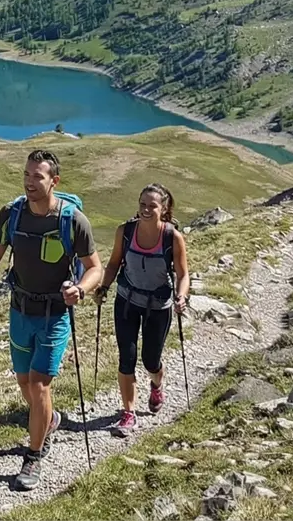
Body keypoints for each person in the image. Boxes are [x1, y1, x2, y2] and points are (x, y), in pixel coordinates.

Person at [0, 149, 102, 491]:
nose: (29, 182)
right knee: (25, 383)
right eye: (26, 175)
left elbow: (96, 268)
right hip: (20, 311)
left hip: (55, 315)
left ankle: (34, 455)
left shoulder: (72, 220)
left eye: (37, 177)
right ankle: (49, 419)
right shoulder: (12, 214)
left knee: (39, 385)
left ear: (54, 181)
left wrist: (80, 290)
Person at [94, 183, 189, 437]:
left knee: (150, 359)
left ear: (164, 208)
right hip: (126, 301)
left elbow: (182, 273)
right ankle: (129, 413)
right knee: (127, 357)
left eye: (153, 206)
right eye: (142, 205)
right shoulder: (125, 231)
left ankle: (157, 384)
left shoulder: (172, 237)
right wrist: (104, 287)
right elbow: (114, 263)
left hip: (158, 307)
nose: (146, 210)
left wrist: (181, 296)